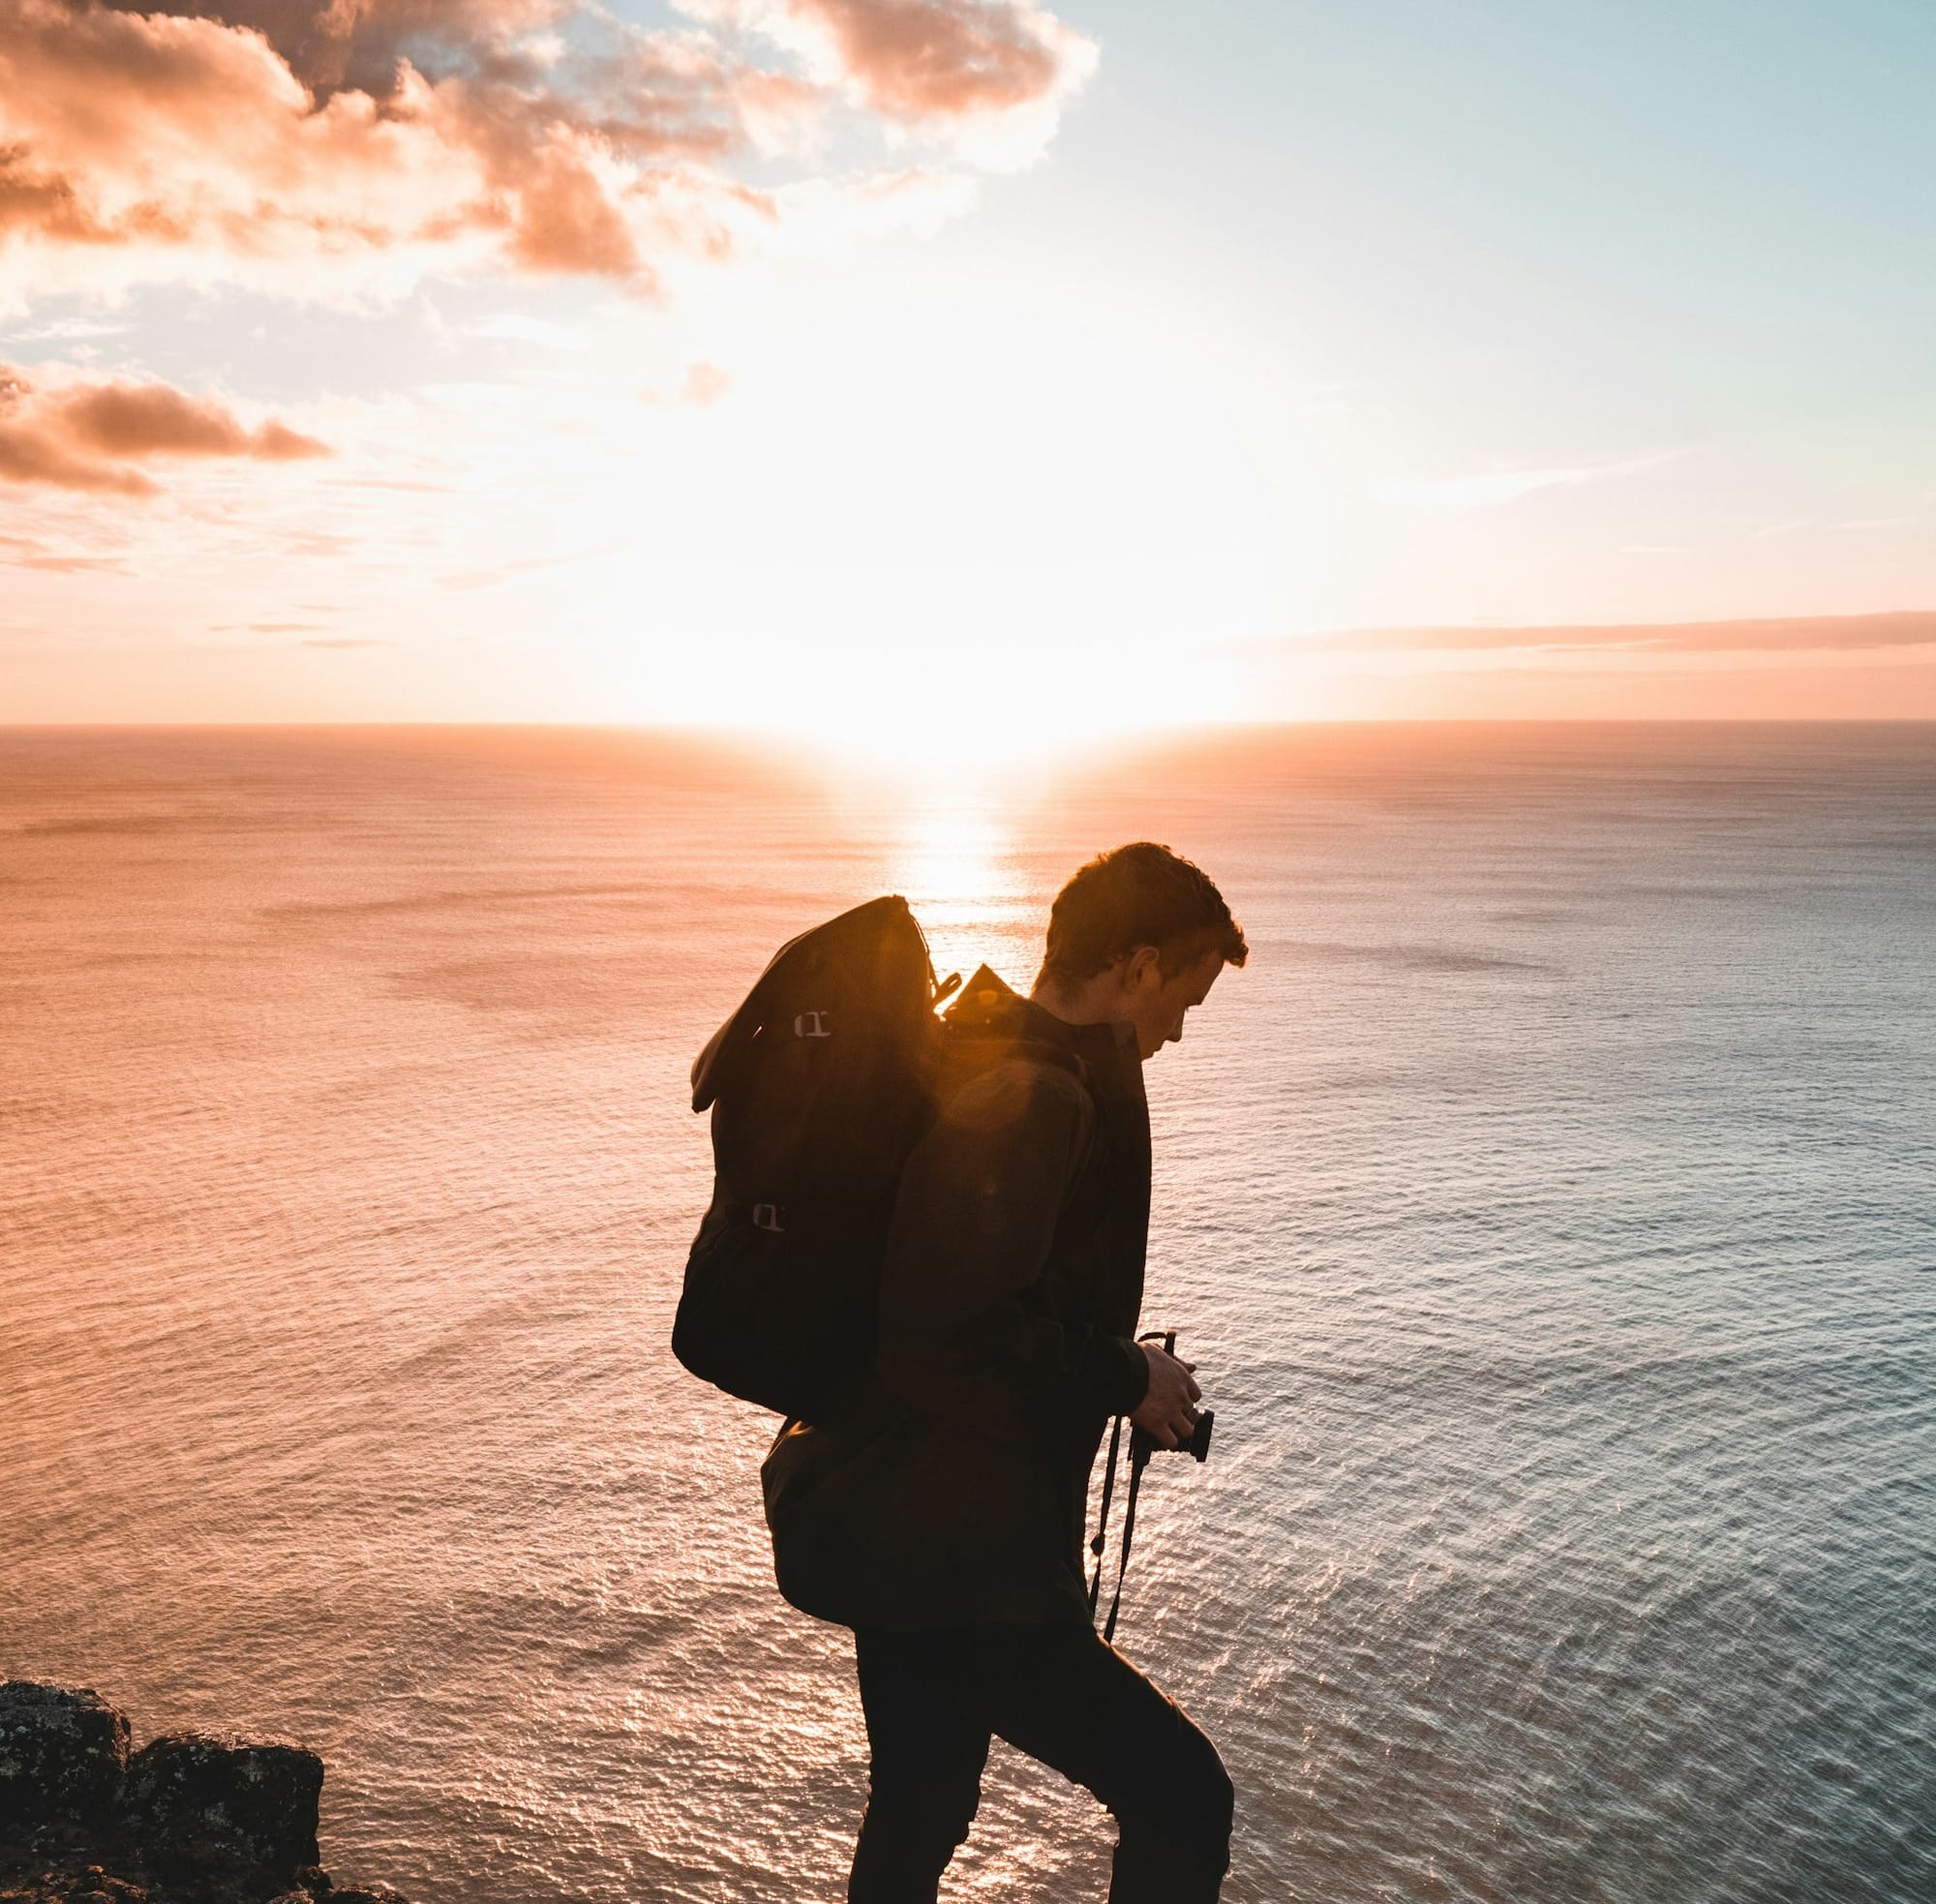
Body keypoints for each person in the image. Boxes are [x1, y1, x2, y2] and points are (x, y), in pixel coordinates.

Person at [762, 841, 1248, 1902]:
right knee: (1181, 1795)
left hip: (901, 1531)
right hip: (954, 1560)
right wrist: (1122, 1375)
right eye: (1183, 997)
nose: (1175, 1031)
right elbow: (939, 1331)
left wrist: (1125, 1363)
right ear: (1135, 965)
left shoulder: (990, 1053)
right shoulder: (1033, 1095)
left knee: (922, 1801)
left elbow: (997, 1294)